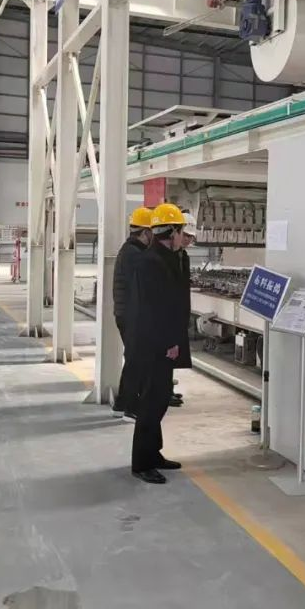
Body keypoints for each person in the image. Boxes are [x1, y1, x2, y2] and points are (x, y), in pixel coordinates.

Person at [125, 203, 187, 484]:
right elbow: (154, 310)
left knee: (160, 400)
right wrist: (169, 342)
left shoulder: (163, 258)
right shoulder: (152, 263)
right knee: (151, 404)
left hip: (158, 344)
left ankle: (153, 454)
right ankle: (141, 463)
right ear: (172, 231)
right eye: (181, 232)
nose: (182, 237)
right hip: (154, 346)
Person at [112, 206, 153, 422]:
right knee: (136, 361)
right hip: (131, 316)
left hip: (126, 314)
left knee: (133, 360)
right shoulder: (134, 255)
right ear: (145, 232)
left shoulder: (130, 250)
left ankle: (121, 405)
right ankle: (130, 408)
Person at [169, 210, 197, 407]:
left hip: (178, 312)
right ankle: (163, 391)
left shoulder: (182, 256)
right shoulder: (169, 257)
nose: (187, 240)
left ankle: (167, 389)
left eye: (190, 237)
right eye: (185, 235)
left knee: (173, 356)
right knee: (167, 355)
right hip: (170, 313)